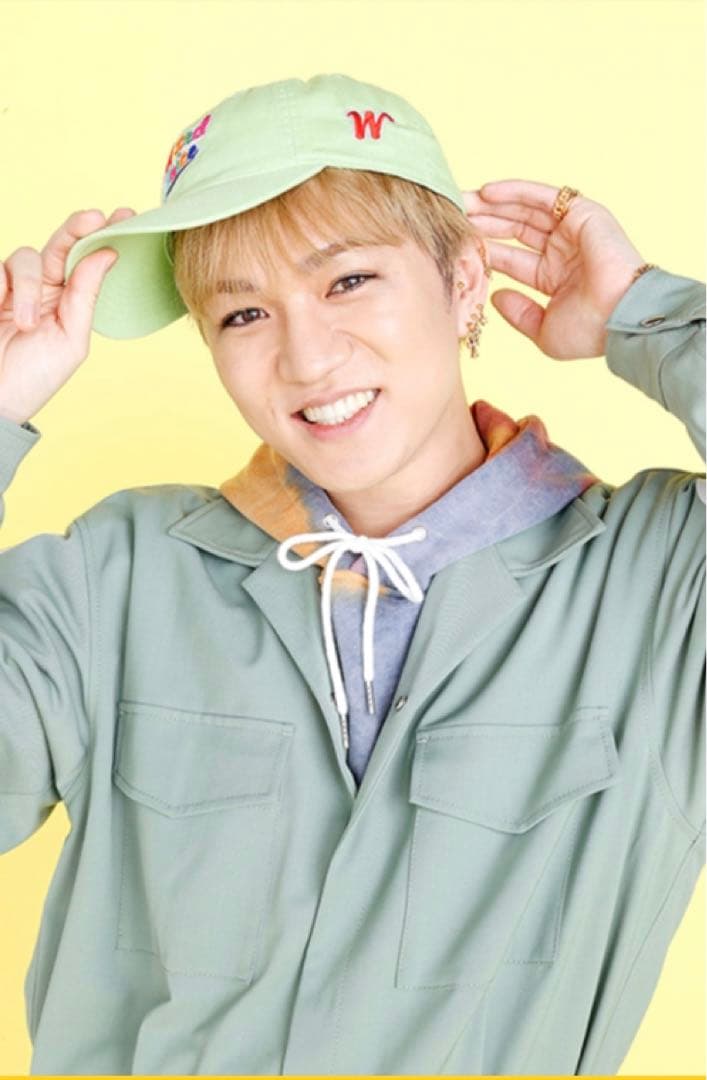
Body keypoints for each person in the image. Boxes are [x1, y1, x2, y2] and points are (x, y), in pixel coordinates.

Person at [0, 72, 704, 1076]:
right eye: (242, 314)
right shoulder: (111, 579)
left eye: (347, 281)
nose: (306, 357)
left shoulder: (659, 587)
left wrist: (647, 316)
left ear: (462, 280)